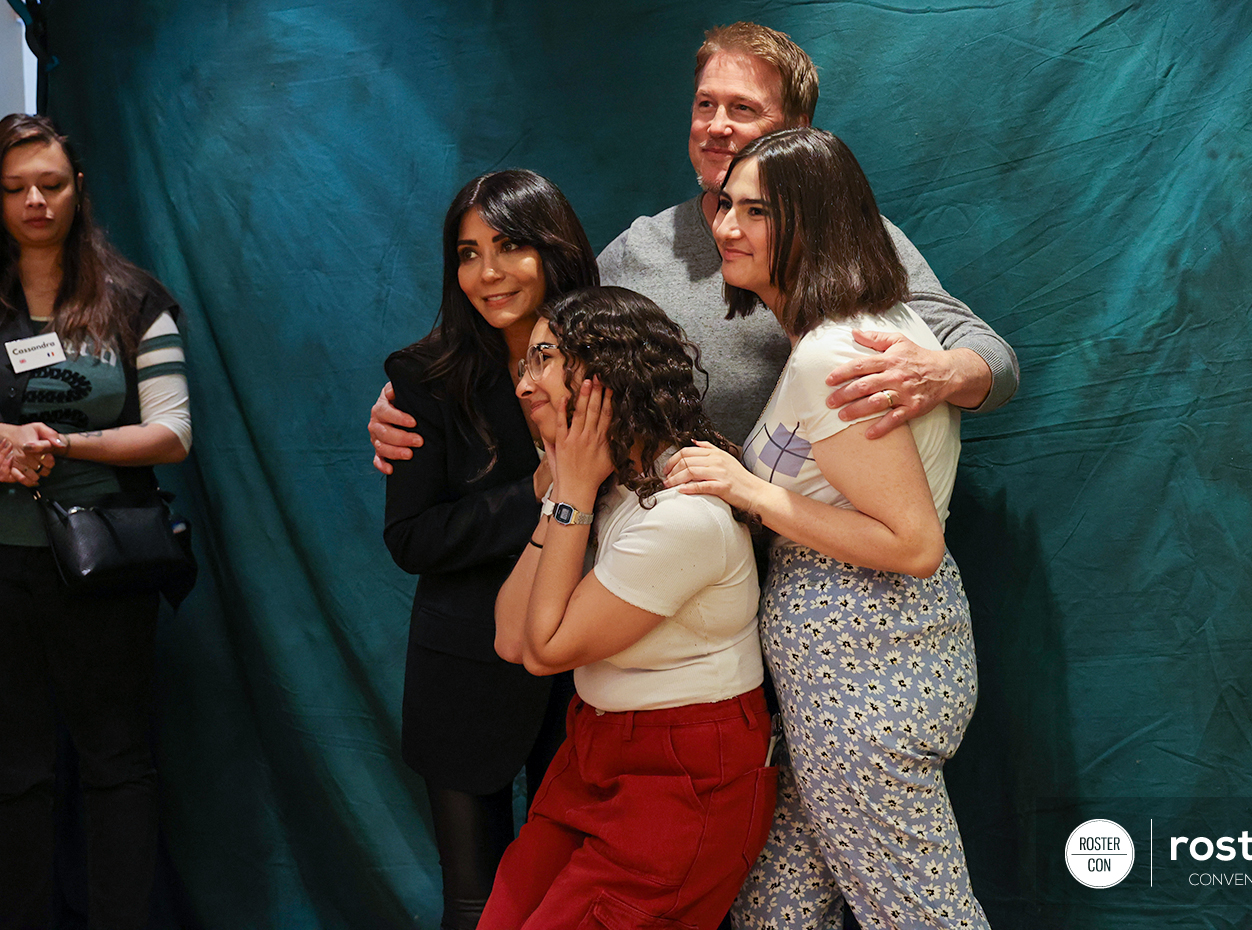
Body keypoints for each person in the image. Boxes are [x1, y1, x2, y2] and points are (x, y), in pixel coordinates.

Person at [369, 22, 1017, 460]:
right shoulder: (641, 248)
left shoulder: (853, 236)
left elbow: (990, 356)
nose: (716, 127)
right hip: (678, 558)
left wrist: (939, 373)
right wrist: (420, 397)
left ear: (797, 131)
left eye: (743, 109)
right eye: (706, 105)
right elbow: (527, 338)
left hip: (823, 555)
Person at [665, 127, 990, 930]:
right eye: (725, 205)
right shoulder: (860, 328)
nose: (727, 228)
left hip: (869, 674)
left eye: (757, 212)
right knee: (777, 914)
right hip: (843, 679)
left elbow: (912, 545)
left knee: (922, 917)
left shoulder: (836, 353)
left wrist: (750, 490)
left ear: (815, 222)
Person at [479, 285, 776, 930]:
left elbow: (547, 651)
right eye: (524, 363)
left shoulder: (682, 512)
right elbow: (510, 638)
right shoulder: (610, 486)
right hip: (595, 751)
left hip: (684, 778)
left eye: (543, 359)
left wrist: (571, 492)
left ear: (600, 375)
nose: (525, 383)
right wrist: (568, 488)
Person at [382, 170, 597, 930]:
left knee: (567, 902)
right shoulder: (423, 378)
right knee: (476, 908)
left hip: (585, 671)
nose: (488, 273)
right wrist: (541, 489)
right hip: (463, 673)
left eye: (509, 247)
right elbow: (410, 538)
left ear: (554, 250)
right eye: (468, 254)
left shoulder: (607, 358)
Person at [0, 114, 192, 930]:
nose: (36, 201)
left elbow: (174, 433)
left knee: (117, 765)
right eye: (14, 189)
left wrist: (66, 442)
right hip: (4, 571)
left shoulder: (133, 297)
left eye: (51, 183)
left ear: (79, 188)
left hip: (104, 564)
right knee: (15, 772)